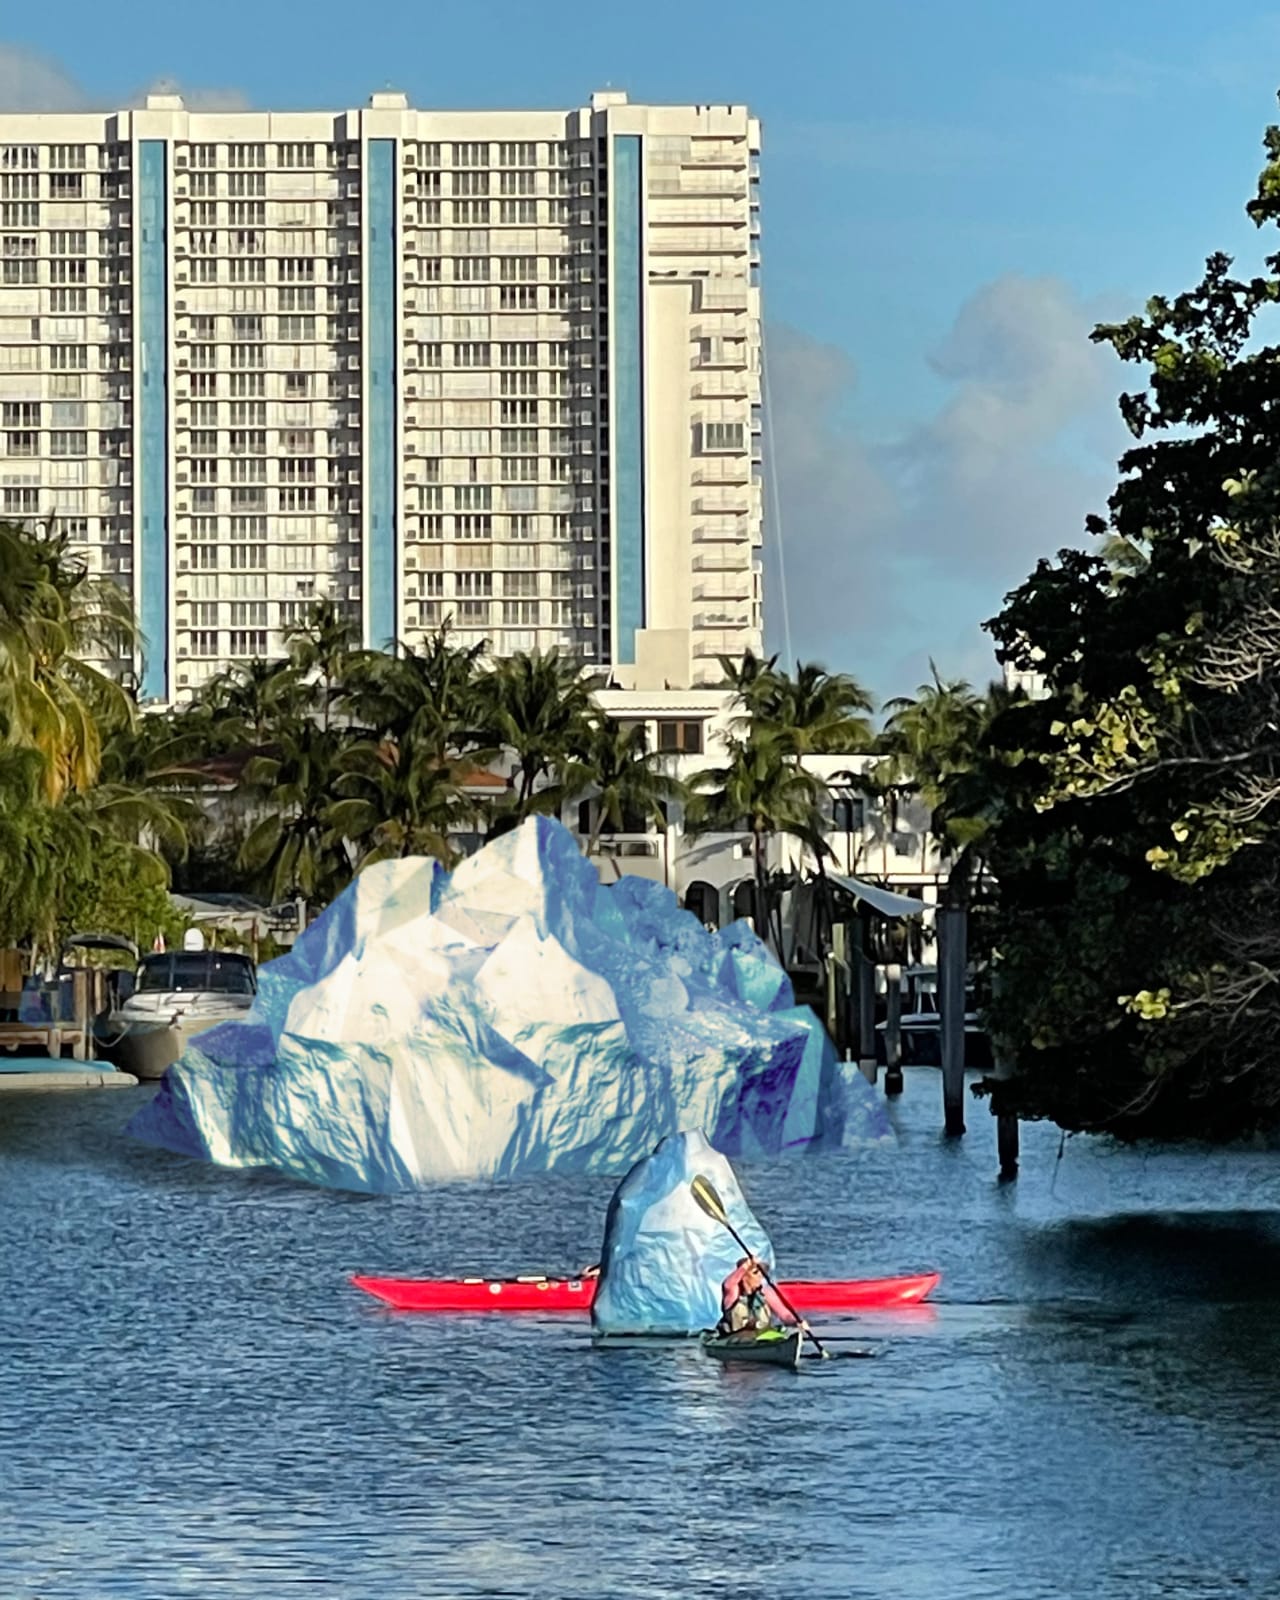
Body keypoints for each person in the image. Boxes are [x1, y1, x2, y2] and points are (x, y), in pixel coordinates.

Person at [718, 1255, 807, 1337]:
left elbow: (785, 1315)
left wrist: (796, 1321)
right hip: (734, 1339)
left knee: (782, 1332)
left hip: (760, 1338)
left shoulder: (766, 1293)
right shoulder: (733, 1293)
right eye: (756, 1272)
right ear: (743, 1276)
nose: (760, 1276)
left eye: (762, 1272)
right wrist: (746, 1265)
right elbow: (727, 1284)